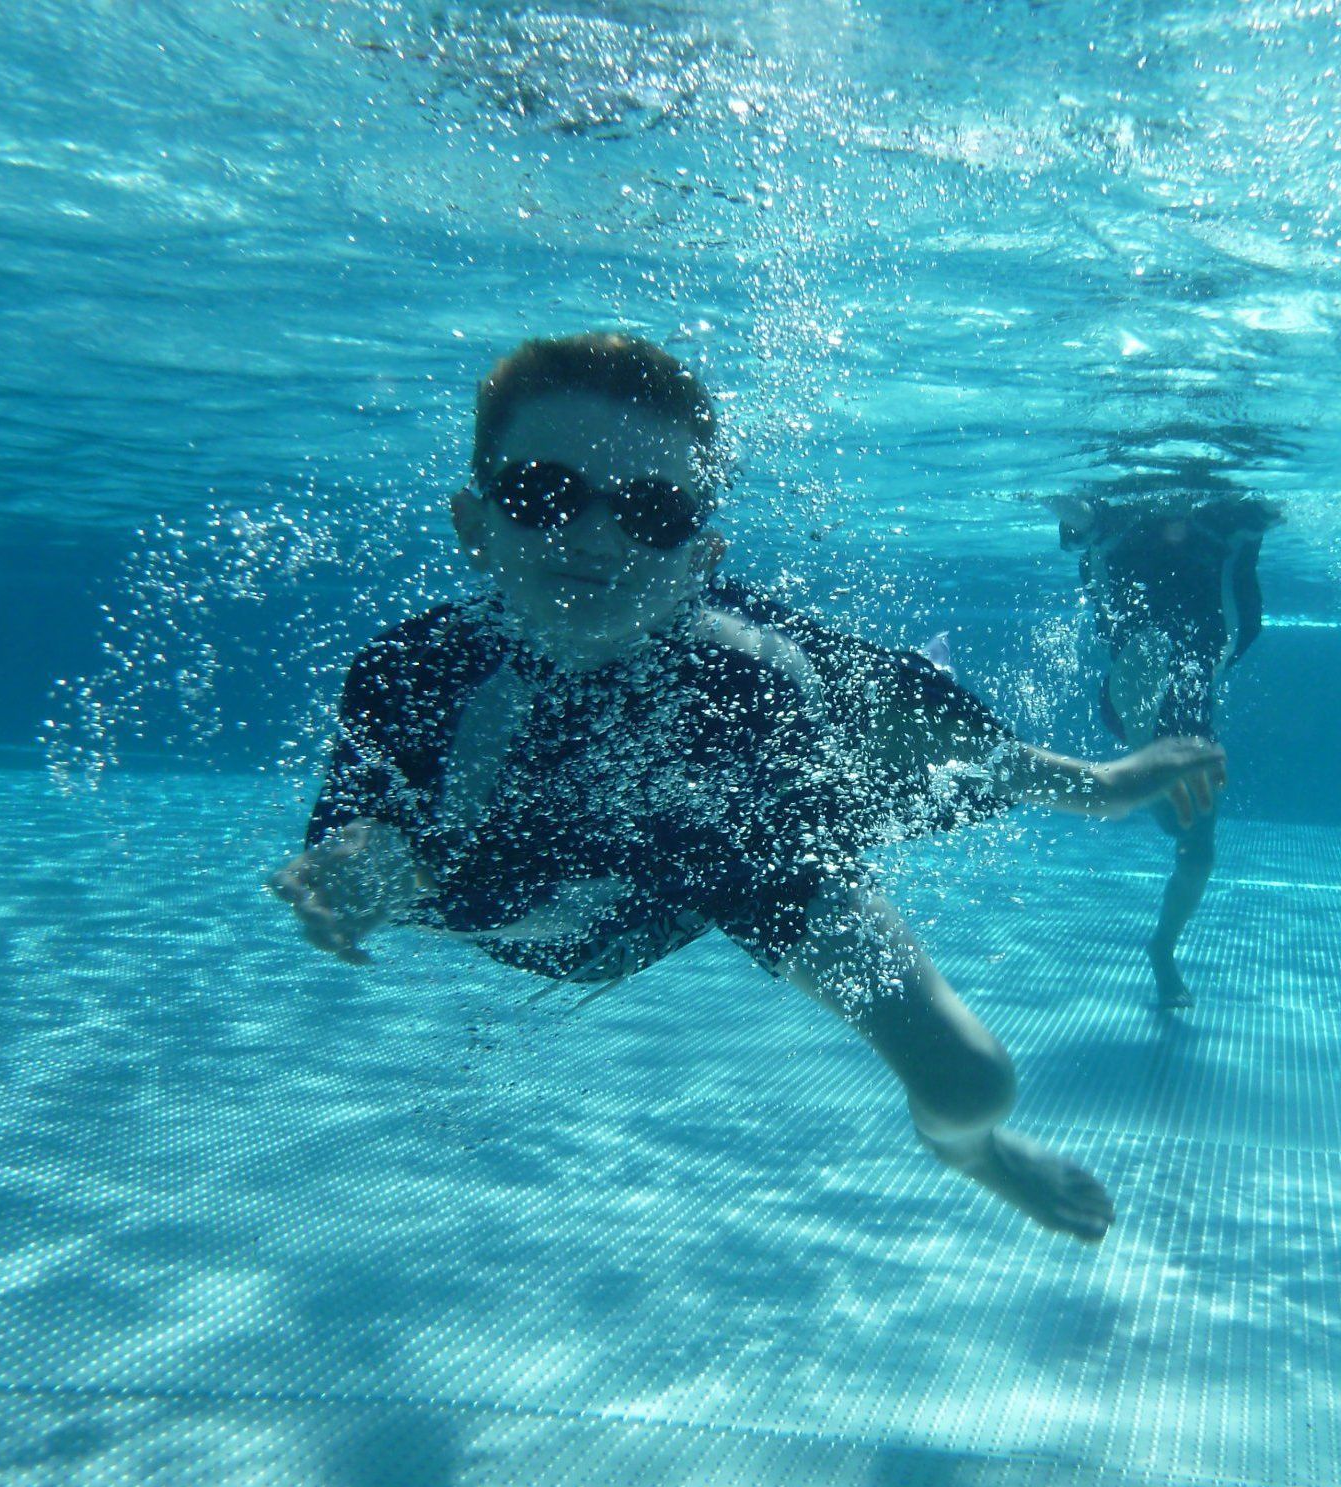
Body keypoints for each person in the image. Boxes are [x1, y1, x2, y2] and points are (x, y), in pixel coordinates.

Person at [269, 332, 1226, 1244]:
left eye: (653, 512)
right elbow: (381, 829)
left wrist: (1092, 782)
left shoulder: (749, 664)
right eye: (545, 495)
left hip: (734, 857)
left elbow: (913, 723)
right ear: (474, 524)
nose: (599, 536)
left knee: (971, 1081)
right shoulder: (414, 673)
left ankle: (976, 1157)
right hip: (501, 881)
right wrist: (359, 877)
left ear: (701, 557)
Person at [1049, 486, 1280, 1011]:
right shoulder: (1225, 639)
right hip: (1171, 677)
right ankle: (1097, 534)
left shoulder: (1157, 675)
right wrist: (1249, 533)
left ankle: (1162, 949)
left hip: (1145, 626)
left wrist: (1089, 532)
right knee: (1220, 637)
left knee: (1197, 854)